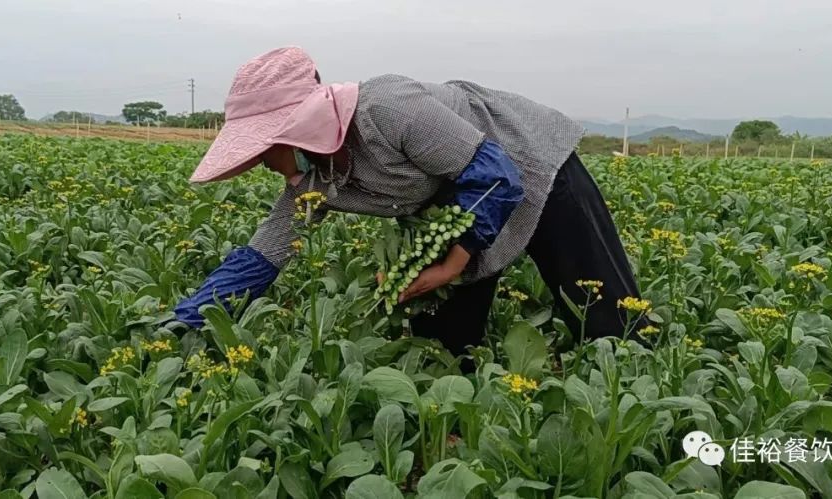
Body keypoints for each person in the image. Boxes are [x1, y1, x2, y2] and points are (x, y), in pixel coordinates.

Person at [172, 46, 645, 360]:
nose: (258, 161)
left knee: (607, 317)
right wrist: (183, 322)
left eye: (260, 147)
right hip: (459, 205)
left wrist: (450, 264)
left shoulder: (386, 108)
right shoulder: (316, 176)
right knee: (441, 351)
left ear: (294, 127)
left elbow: (496, 177)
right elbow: (265, 255)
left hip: (534, 163)